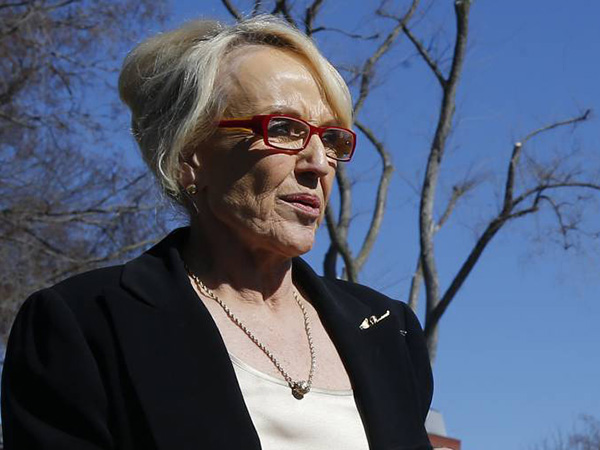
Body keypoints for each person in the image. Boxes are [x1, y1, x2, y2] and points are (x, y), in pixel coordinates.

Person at [1, 16, 436, 450]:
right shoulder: (85, 325)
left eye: (331, 140)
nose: (318, 164)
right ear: (189, 155)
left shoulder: (389, 331)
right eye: (283, 129)